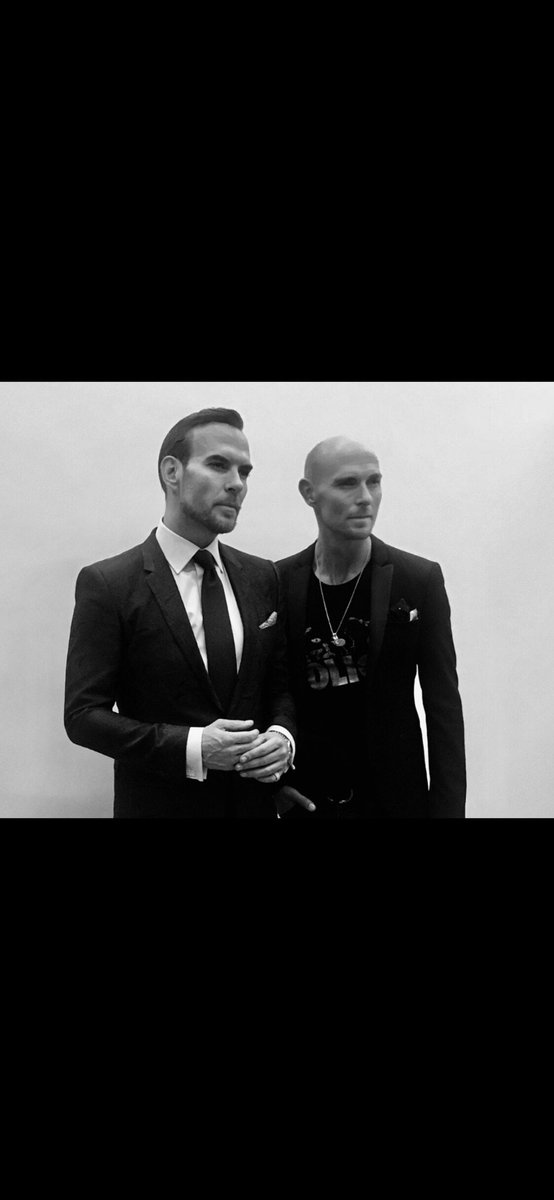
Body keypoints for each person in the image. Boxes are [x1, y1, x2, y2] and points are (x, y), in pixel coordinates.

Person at [64, 408, 311, 819]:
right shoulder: (110, 584)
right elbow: (83, 716)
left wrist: (283, 736)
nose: (236, 484)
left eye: (244, 472)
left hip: (253, 806)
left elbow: (279, 685)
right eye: (218, 465)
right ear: (171, 472)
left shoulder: (262, 576)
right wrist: (193, 747)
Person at [264, 436, 466, 819]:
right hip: (307, 801)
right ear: (309, 493)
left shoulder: (417, 579)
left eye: (374, 481)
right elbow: (268, 690)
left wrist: (448, 810)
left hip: (395, 802)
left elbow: (443, 708)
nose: (365, 497)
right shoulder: (279, 581)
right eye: (347, 483)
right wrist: (275, 786)